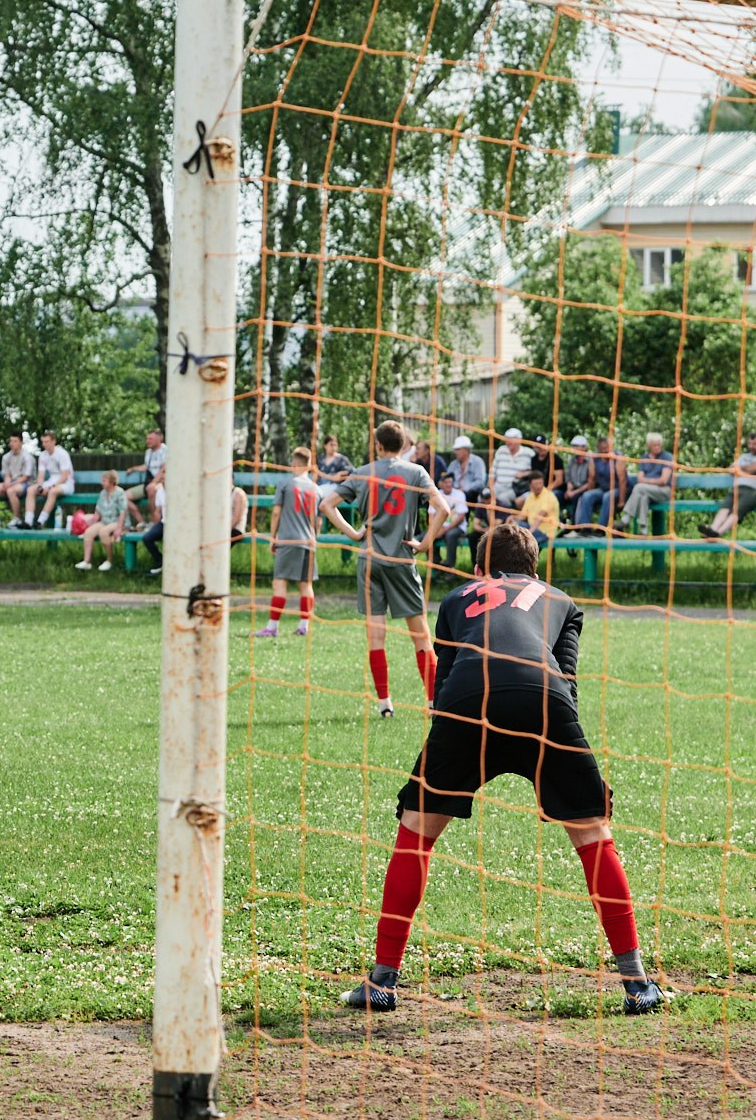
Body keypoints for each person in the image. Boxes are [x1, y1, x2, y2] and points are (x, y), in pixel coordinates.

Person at [341, 519, 664, 1015]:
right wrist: (573, 765)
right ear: (534, 568)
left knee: (416, 833)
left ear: (478, 570)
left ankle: (383, 979)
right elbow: (568, 682)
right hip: (546, 704)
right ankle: (637, 982)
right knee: (595, 837)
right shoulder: (561, 601)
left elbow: (442, 684)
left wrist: (445, 743)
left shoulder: (455, 599)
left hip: (467, 702)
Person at [319, 420, 448, 715]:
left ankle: (384, 704)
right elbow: (443, 508)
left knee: (376, 636)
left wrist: (353, 534)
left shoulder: (363, 473)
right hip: (402, 558)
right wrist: (426, 543)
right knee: (420, 635)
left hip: (369, 560)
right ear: (403, 445)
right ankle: (432, 701)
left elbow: (326, 504)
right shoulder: (416, 471)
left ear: (377, 445)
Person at [253, 447, 327, 639]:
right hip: (309, 542)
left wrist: (273, 537)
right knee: (306, 585)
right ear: (310, 466)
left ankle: (272, 627)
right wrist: (314, 538)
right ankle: (304, 626)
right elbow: (319, 521)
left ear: (293, 464)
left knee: (279, 582)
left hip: (289, 540)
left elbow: (277, 512)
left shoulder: (285, 484)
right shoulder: (317, 490)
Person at [699, 431, 756, 538]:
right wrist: (749, 470)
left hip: (754, 491)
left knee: (737, 510)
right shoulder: (743, 456)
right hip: (737, 488)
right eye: (750, 444)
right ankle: (713, 529)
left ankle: (719, 533)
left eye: (755, 444)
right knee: (725, 506)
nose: (752, 447)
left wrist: (742, 469)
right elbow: (731, 469)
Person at [74, 472, 135, 570]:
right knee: (89, 532)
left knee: (103, 532)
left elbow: (123, 511)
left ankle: (109, 560)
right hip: (105, 521)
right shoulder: (103, 493)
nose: (102, 483)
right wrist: (92, 525)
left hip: (118, 522)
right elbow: (98, 511)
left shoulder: (120, 493)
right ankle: (86, 561)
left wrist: (119, 528)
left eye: (104, 481)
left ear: (111, 482)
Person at [619, 434, 675, 534]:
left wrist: (647, 481)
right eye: (655, 445)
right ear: (648, 445)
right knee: (643, 496)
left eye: (659, 445)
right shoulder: (644, 458)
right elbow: (640, 478)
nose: (658, 447)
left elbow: (663, 481)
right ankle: (643, 530)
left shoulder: (667, 457)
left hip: (664, 491)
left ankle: (626, 518)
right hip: (648, 491)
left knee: (639, 488)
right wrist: (652, 482)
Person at [485, 428, 534, 525]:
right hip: (498, 485)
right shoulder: (501, 451)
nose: (508, 442)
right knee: (484, 497)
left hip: (515, 488)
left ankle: (502, 524)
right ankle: (488, 524)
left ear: (519, 440)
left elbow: (536, 471)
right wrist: (489, 487)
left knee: (502, 498)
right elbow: (492, 472)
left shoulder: (529, 453)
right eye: (506, 439)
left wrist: (524, 474)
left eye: (510, 439)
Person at [31, 431, 76, 528]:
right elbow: (41, 475)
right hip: (52, 481)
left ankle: (40, 522)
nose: (44, 444)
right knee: (31, 490)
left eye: (47, 442)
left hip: (67, 483)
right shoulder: (42, 455)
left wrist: (50, 487)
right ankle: (28, 521)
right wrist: (40, 487)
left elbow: (64, 477)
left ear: (53, 441)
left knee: (52, 492)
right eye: (43, 442)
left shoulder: (62, 454)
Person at [0, 433, 34, 527]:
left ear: (21, 443)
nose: (12, 443)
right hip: (12, 482)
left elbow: (26, 477)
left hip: (26, 483)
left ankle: (17, 518)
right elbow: (7, 474)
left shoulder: (27, 457)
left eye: (15, 441)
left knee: (11, 491)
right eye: (11, 441)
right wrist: (7, 483)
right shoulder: (6, 457)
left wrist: (10, 485)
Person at [559, 436, 598, 535]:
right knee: (557, 495)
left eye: (577, 446)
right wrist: (568, 490)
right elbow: (568, 477)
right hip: (572, 489)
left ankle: (576, 527)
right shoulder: (572, 461)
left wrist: (574, 492)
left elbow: (590, 482)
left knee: (578, 498)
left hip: (584, 489)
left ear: (584, 447)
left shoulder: (590, 461)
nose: (575, 449)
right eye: (574, 446)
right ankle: (558, 524)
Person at [518, 475, 562, 548]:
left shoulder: (549, 496)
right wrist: (511, 518)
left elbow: (539, 519)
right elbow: (522, 516)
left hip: (545, 533)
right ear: (530, 486)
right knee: (516, 526)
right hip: (532, 528)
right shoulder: (530, 496)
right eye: (536, 484)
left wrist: (528, 533)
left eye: (540, 483)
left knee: (521, 541)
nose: (538, 486)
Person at [444, 436, 485, 511]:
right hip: (454, 493)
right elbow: (446, 478)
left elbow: (480, 482)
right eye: (455, 449)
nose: (455, 452)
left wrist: (465, 488)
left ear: (466, 450)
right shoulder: (453, 464)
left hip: (471, 494)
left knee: (464, 496)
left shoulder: (477, 462)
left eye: (458, 449)